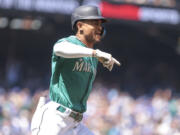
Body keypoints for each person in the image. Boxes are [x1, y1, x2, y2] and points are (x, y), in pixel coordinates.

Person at [31, 5, 120, 135]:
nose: (99, 27)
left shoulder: (92, 55)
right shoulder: (70, 43)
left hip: (76, 124)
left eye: (100, 24)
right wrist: (95, 53)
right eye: (95, 23)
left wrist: (95, 54)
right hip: (56, 117)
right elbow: (59, 49)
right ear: (80, 26)